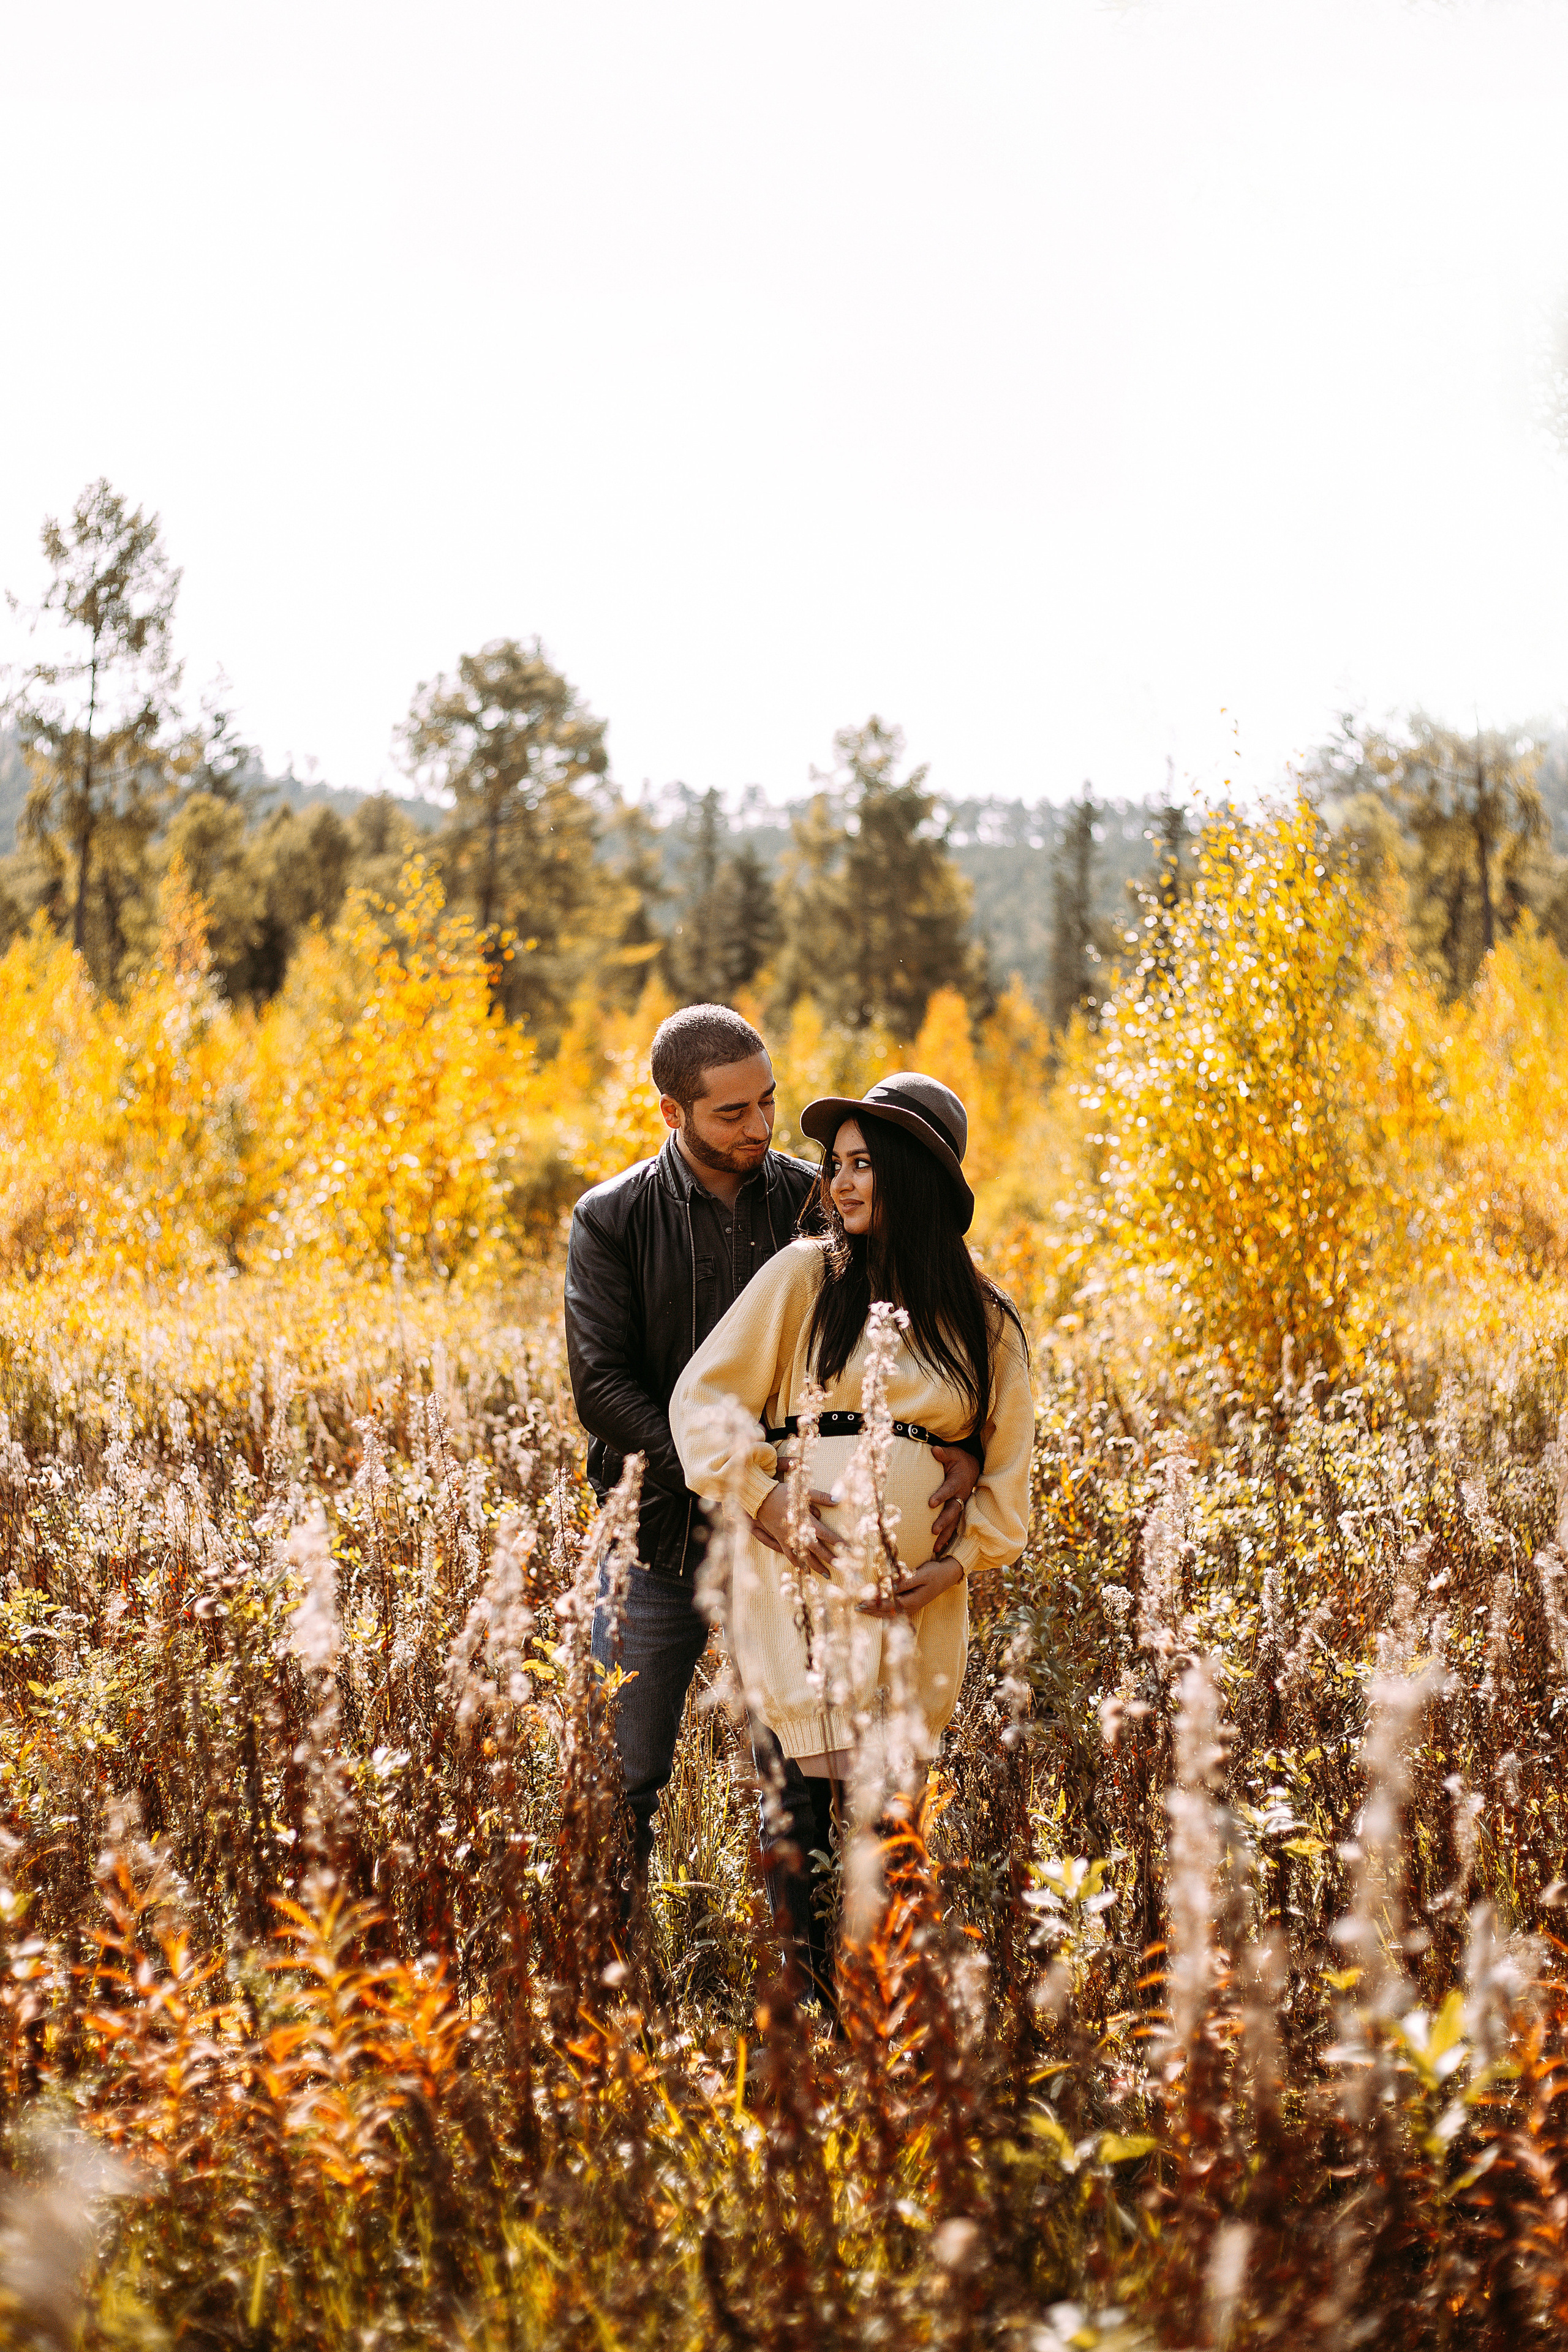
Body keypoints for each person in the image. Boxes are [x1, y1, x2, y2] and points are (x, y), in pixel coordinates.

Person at [564, 1006, 981, 1878]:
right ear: (672, 1112)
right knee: (621, 1779)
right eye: (732, 1112)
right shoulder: (613, 1218)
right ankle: (602, 1959)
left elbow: (914, 1322)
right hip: (660, 1541)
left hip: (806, 1548)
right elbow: (602, 1389)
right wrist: (749, 1487)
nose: (760, 1127)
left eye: (768, 1102)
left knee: (798, 1782)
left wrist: (957, 1441)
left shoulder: (814, 1198)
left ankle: (804, 1961)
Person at [669, 1072, 1033, 2008]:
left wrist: (951, 1563)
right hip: (797, 1588)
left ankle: (881, 2015)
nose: (840, 1184)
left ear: (916, 1175)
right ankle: (806, 2019)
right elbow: (702, 1401)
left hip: (913, 1610)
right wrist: (765, 1499)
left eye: (864, 1165)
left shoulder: (986, 1320)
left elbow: (1008, 1478)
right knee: (798, 1816)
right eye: (835, 1166)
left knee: (887, 1825)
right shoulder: (805, 1278)